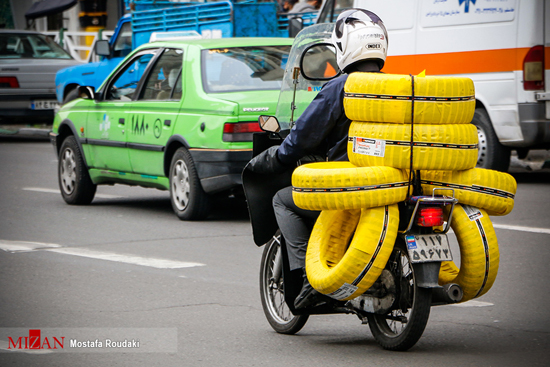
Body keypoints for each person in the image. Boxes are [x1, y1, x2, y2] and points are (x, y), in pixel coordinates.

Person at [247, 9, 389, 309]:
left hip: (347, 186)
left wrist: (279, 156)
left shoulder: (338, 87)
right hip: (394, 185)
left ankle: (309, 280)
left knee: (284, 201)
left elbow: (303, 137)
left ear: (344, 47)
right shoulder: (397, 87)